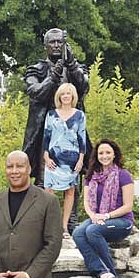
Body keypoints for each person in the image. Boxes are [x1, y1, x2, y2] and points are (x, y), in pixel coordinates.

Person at [23, 27, 89, 188]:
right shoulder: (36, 69)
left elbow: (84, 87)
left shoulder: (76, 68)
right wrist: (54, 75)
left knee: (74, 175)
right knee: (43, 175)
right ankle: (42, 211)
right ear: (45, 46)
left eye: (60, 41)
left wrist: (72, 65)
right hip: (45, 129)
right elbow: (36, 92)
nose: (57, 45)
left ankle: (72, 214)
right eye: (52, 42)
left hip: (71, 128)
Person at [72, 139, 134, 278]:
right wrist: (93, 216)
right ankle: (101, 271)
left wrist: (106, 216)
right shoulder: (91, 176)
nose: (104, 156)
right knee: (78, 233)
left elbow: (128, 206)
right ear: (96, 155)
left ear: (114, 155)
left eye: (108, 152)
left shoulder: (123, 175)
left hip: (121, 221)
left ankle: (109, 272)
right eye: (101, 153)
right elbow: (86, 202)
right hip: (98, 217)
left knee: (93, 231)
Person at [43, 83, 86, 237]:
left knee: (69, 192)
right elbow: (46, 138)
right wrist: (46, 156)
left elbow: (82, 139)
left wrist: (81, 160)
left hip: (72, 160)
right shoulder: (51, 114)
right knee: (49, 192)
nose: (66, 96)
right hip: (53, 158)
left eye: (69, 93)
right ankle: (50, 225)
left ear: (73, 96)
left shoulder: (79, 115)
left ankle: (64, 227)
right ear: (59, 97)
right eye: (63, 94)